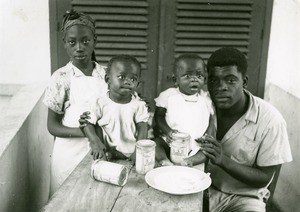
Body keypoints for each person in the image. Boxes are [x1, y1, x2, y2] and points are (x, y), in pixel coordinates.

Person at [201, 47, 293, 212]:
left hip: (244, 198)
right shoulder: (201, 106)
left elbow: (264, 178)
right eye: (214, 80)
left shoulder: (271, 120)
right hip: (201, 188)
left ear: (244, 81)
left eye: (230, 80)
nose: (221, 87)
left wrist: (223, 160)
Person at [43, 10, 108, 195]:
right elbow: (52, 126)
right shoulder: (60, 78)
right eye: (72, 42)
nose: (79, 47)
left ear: (95, 40)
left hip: (100, 150)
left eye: (85, 41)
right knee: (66, 198)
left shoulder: (105, 75)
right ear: (65, 44)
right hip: (68, 154)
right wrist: (88, 134)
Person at [83, 55, 150, 162]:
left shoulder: (139, 105)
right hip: (106, 149)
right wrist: (95, 142)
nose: (128, 81)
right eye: (121, 77)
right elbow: (86, 123)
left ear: (137, 84)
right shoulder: (99, 102)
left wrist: (138, 150)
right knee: (96, 126)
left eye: (133, 79)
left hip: (131, 151)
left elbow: (143, 127)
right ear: (108, 79)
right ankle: (104, 157)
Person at [153, 53, 215, 166]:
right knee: (157, 143)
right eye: (187, 76)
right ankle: (164, 160)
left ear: (205, 79)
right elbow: (159, 117)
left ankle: (188, 162)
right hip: (171, 141)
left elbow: (211, 119)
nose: (194, 79)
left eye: (199, 76)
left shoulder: (206, 99)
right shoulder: (169, 96)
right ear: (175, 80)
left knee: (207, 151)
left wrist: (207, 135)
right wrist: (168, 131)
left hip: (197, 143)